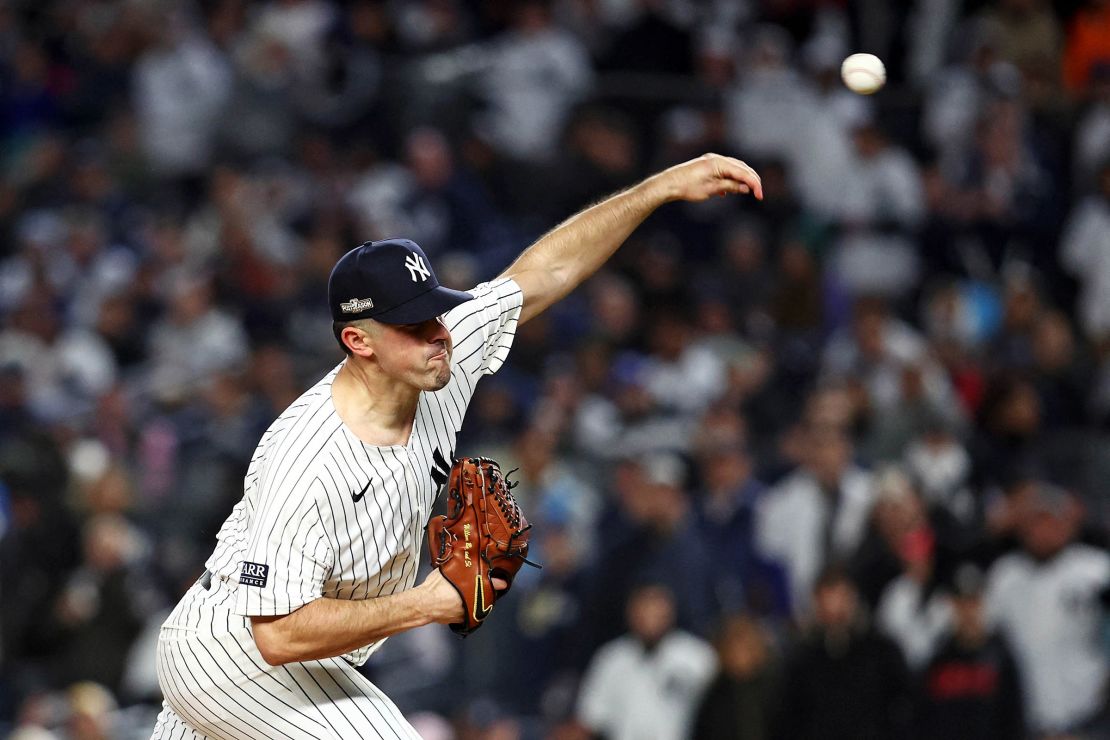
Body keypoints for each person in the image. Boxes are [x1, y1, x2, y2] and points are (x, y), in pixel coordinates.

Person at [149, 153, 763, 739]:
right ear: (360, 341)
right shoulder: (308, 456)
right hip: (233, 652)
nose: (439, 335)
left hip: (287, 654)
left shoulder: (439, 355)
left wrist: (653, 190)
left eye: (437, 312)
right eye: (415, 325)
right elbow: (278, 634)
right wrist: (429, 602)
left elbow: (543, 273)